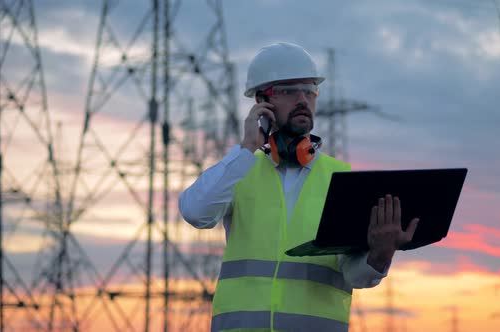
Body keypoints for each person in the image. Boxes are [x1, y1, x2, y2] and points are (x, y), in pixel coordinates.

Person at [179, 42, 419, 332]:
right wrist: (246, 149)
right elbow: (195, 212)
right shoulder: (240, 169)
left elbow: (355, 275)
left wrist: (381, 254)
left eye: (309, 91)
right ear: (261, 101)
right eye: (289, 91)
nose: (303, 99)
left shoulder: (339, 178)